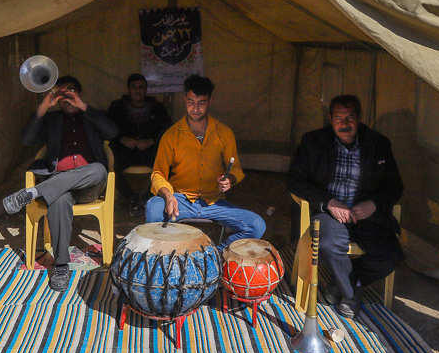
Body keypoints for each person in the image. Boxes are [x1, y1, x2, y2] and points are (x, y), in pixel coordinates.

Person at [286, 95, 403, 319]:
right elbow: (295, 181)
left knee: (391, 255)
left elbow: (395, 186)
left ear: (359, 118)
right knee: (327, 244)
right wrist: (329, 203)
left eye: (350, 118)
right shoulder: (313, 141)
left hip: (365, 214)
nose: (344, 124)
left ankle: (343, 282)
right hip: (329, 212)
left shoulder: (378, 144)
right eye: (338, 118)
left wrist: (373, 204)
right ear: (330, 119)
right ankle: (351, 295)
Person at [2, 75, 118, 291]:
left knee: (98, 169)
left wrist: (82, 105)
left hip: (90, 184)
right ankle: (61, 266)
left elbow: (113, 131)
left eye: (70, 91)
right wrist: (45, 105)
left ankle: (32, 192)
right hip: (58, 184)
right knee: (58, 200)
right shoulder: (52, 119)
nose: (65, 96)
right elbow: (27, 139)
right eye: (60, 92)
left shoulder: (92, 115)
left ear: (79, 93)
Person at [145, 74, 265, 247]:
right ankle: (167, 255)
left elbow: (236, 169)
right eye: (191, 102)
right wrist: (168, 195)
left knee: (257, 225)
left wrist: (229, 179)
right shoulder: (171, 135)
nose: (195, 108)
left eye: (201, 102)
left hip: (214, 202)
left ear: (210, 101)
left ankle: (215, 255)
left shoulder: (224, 133)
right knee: (154, 208)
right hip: (180, 200)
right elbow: (158, 173)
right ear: (185, 100)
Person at [107, 74, 172, 216]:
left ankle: (150, 196)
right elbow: (106, 128)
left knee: (169, 163)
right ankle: (132, 198)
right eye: (134, 87)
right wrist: (121, 139)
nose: (137, 90)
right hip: (124, 152)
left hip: (150, 151)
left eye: (141, 87)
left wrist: (152, 141)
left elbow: (168, 129)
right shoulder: (117, 107)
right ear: (128, 89)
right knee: (108, 165)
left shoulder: (157, 107)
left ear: (146, 89)